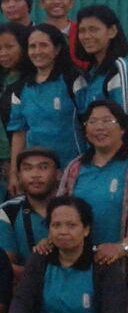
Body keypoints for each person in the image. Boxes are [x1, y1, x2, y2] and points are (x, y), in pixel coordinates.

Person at [4, 195, 128, 313]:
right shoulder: (40, 257)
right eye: (56, 225)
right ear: (49, 229)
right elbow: (22, 300)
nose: (63, 231)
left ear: (86, 229)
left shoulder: (103, 263)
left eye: (71, 225)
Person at [8, 23, 85, 193]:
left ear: (57, 49)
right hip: (37, 174)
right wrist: (14, 173)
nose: (37, 51)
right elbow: (19, 133)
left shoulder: (73, 80)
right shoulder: (20, 88)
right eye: (32, 46)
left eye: (44, 45)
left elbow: (88, 121)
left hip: (73, 168)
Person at [57, 100, 128, 265]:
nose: (99, 127)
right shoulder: (75, 168)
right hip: (82, 263)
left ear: (122, 128)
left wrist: (122, 247)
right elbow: (59, 211)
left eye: (107, 121)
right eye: (92, 121)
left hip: (121, 263)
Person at [0, 146, 59, 285]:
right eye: (27, 168)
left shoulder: (74, 209)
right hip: (26, 287)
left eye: (43, 167)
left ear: (58, 173)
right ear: (19, 176)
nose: (35, 174)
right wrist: (42, 278)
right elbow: (3, 264)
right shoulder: (8, 210)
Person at [0, 22, 32, 178]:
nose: (3, 53)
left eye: (9, 47)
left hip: (19, 157)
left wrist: (15, 167)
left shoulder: (30, 81)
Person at [74, 4, 128, 112]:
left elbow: (124, 115)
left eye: (93, 30)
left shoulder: (122, 68)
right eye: (82, 30)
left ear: (112, 31)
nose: (86, 36)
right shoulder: (89, 73)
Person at [39, 0, 84, 68]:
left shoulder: (82, 32)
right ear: (42, 3)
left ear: (71, 3)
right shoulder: (34, 34)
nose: (57, 2)